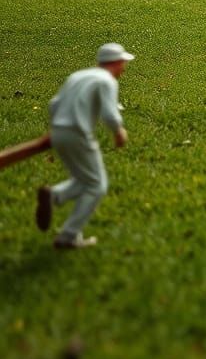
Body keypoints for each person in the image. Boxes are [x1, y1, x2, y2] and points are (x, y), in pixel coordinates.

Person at [34, 43, 134, 250]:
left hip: (58, 131)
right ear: (115, 63)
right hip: (77, 134)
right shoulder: (107, 81)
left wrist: (56, 129)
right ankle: (68, 236)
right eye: (123, 63)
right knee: (97, 186)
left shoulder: (78, 76)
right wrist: (119, 132)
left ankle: (54, 195)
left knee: (84, 180)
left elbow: (54, 104)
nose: (123, 68)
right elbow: (109, 114)